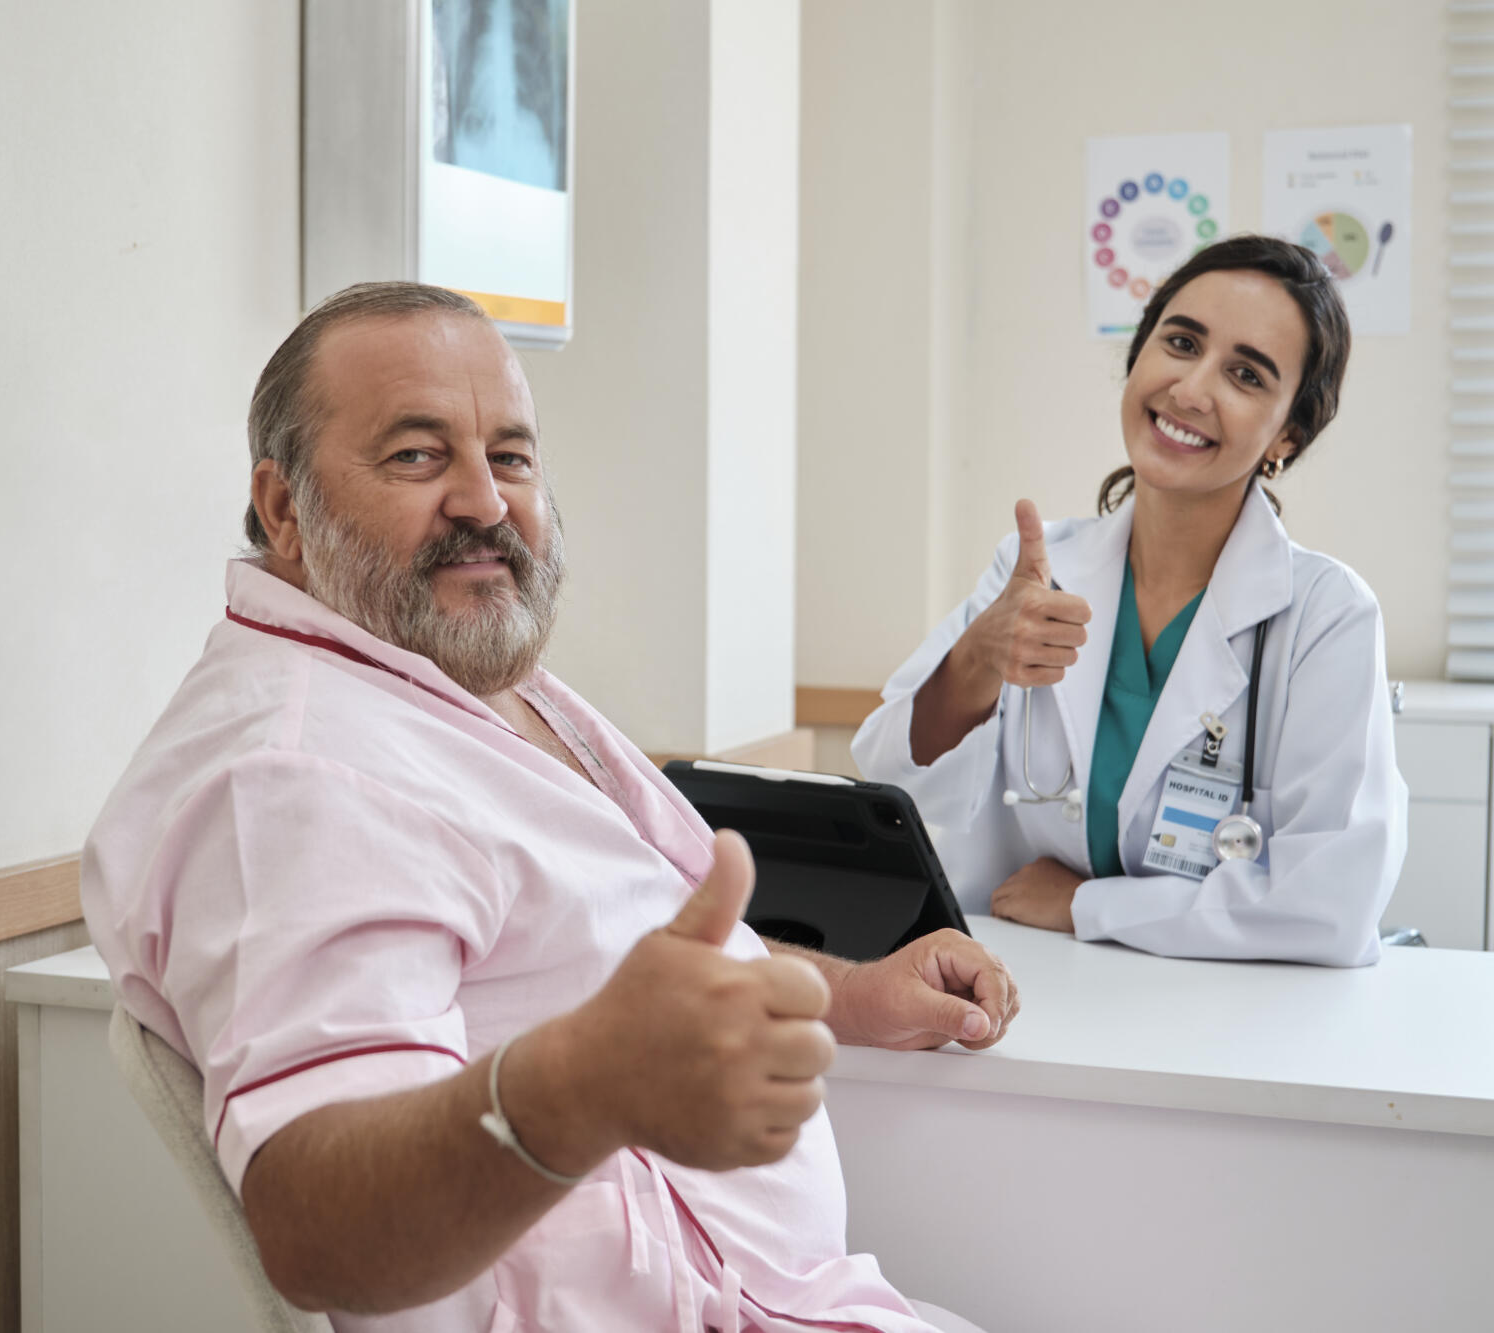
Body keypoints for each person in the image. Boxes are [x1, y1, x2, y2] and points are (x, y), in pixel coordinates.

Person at [80, 282, 1016, 1332]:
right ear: (284, 507)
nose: (485, 502)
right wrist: (578, 1089)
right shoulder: (297, 777)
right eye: (416, 455)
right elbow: (315, 1230)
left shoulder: (446, 678)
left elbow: (608, 965)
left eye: (511, 456)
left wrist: (844, 995)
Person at [853, 235, 1406, 967]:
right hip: (1039, 996)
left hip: (1236, 1022)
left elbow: (1330, 906)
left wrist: (1088, 905)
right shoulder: (1037, 570)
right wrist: (977, 660)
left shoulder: (1323, 617)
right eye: (1181, 343)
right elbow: (889, 788)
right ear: (1138, 356)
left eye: (1245, 374)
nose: (1191, 390)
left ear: (1287, 435)